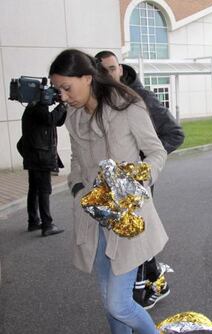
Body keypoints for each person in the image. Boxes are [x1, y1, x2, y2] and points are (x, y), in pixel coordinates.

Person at [49, 48, 167, 334]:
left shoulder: (127, 105)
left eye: (66, 87)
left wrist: (137, 178)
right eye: (58, 90)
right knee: (109, 304)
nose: (63, 96)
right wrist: (78, 190)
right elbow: (77, 161)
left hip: (128, 219)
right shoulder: (75, 117)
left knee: (119, 305)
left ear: (87, 78)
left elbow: (156, 152)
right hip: (94, 217)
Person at [95, 50, 184, 310]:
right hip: (110, 186)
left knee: (137, 236)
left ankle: (139, 291)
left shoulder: (139, 98)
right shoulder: (101, 100)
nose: (108, 74)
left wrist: (142, 166)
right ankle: (154, 280)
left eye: (112, 68)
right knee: (130, 237)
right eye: (102, 70)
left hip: (138, 182)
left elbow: (175, 134)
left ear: (120, 69)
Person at [18, 102, 66, 236]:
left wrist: (63, 108)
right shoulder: (39, 107)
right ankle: (47, 225)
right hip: (41, 158)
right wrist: (62, 106)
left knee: (34, 189)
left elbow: (56, 121)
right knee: (44, 190)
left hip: (35, 156)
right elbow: (50, 119)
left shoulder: (32, 107)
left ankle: (33, 221)